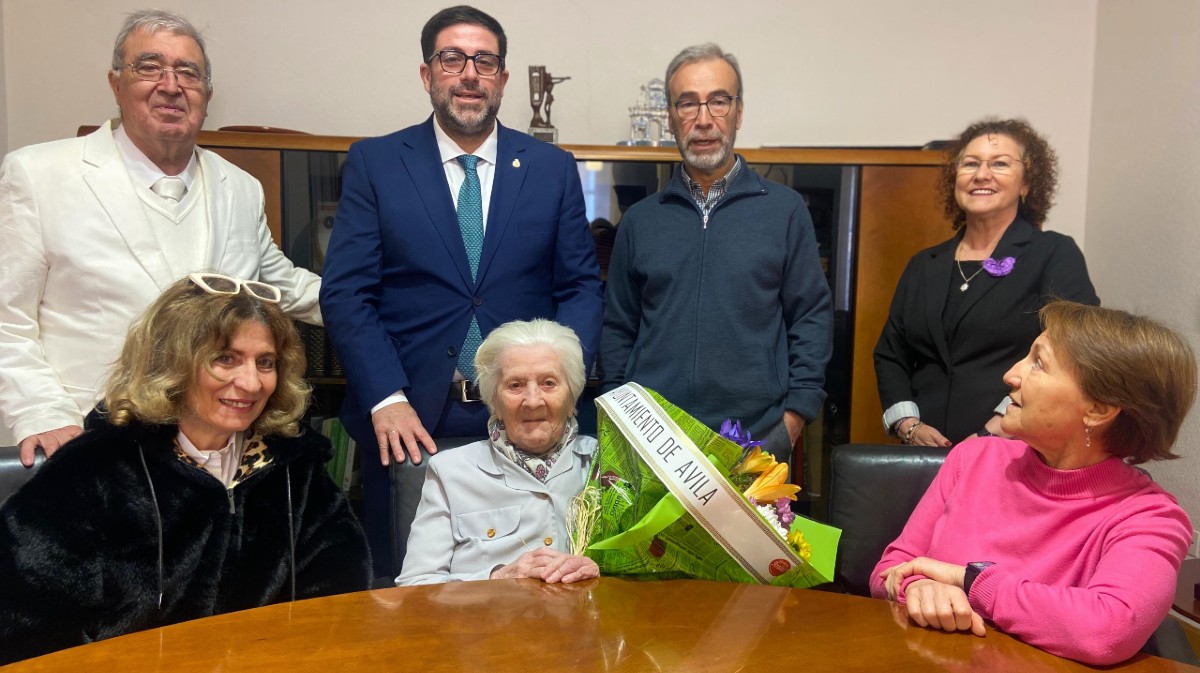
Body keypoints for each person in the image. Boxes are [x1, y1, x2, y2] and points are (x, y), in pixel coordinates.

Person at [319, 5, 603, 577]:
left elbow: (580, 287)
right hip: (414, 414)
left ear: (501, 77)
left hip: (527, 409)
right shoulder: (377, 163)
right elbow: (347, 292)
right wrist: (384, 397)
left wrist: (562, 380)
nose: (469, 73)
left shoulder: (549, 167)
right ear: (428, 74)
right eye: (452, 58)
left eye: (485, 61)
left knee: (545, 571)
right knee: (414, 586)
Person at [0, 10, 322, 465]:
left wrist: (392, 303)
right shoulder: (38, 175)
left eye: (188, 72)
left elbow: (283, 286)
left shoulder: (242, 188)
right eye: (149, 67)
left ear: (206, 95)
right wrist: (41, 411)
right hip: (89, 439)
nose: (170, 85)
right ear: (116, 84)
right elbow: (7, 320)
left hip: (210, 446)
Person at [0, 275, 369, 665]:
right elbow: (29, 627)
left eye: (265, 363)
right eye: (225, 358)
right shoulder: (90, 470)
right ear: (172, 362)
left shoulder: (297, 470)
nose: (250, 382)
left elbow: (339, 602)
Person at [871, 301, 1195, 666]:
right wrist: (919, 587)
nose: (1011, 374)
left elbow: (1107, 630)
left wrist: (972, 582)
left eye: (1038, 362)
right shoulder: (972, 458)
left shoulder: (1150, 518)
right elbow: (892, 567)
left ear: (1099, 410)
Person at [601, 43, 833, 463]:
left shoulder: (784, 210)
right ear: (671, 117)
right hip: (654, 439)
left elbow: (811, 317)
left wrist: (796, 416)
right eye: (687, 104)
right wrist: (620, 413)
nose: (703, 119)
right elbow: (618, 327)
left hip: (756, 437)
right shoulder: (640, 221)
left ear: (739, 112)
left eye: (719, 102)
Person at [873, 119, 1098, 447]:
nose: (981, 174)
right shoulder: (924, 265)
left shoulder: (1053, 253)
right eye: (971, 163)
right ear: (956, 180)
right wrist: (908, 424)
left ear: (1026, 184)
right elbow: (891, 354)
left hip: (1012, 447)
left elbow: (1073, 349)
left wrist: (1001, 424)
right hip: (925, 456)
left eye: (1000, 163)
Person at [398, 319, 598, 585]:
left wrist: (601, 572)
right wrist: (498, 577)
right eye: (515, 385)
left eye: (549, 383)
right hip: (488, 624)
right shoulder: (450, 471)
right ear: (495, 401)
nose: (533, 400)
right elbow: (415, 586)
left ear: (572, 397)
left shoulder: (607, 463)